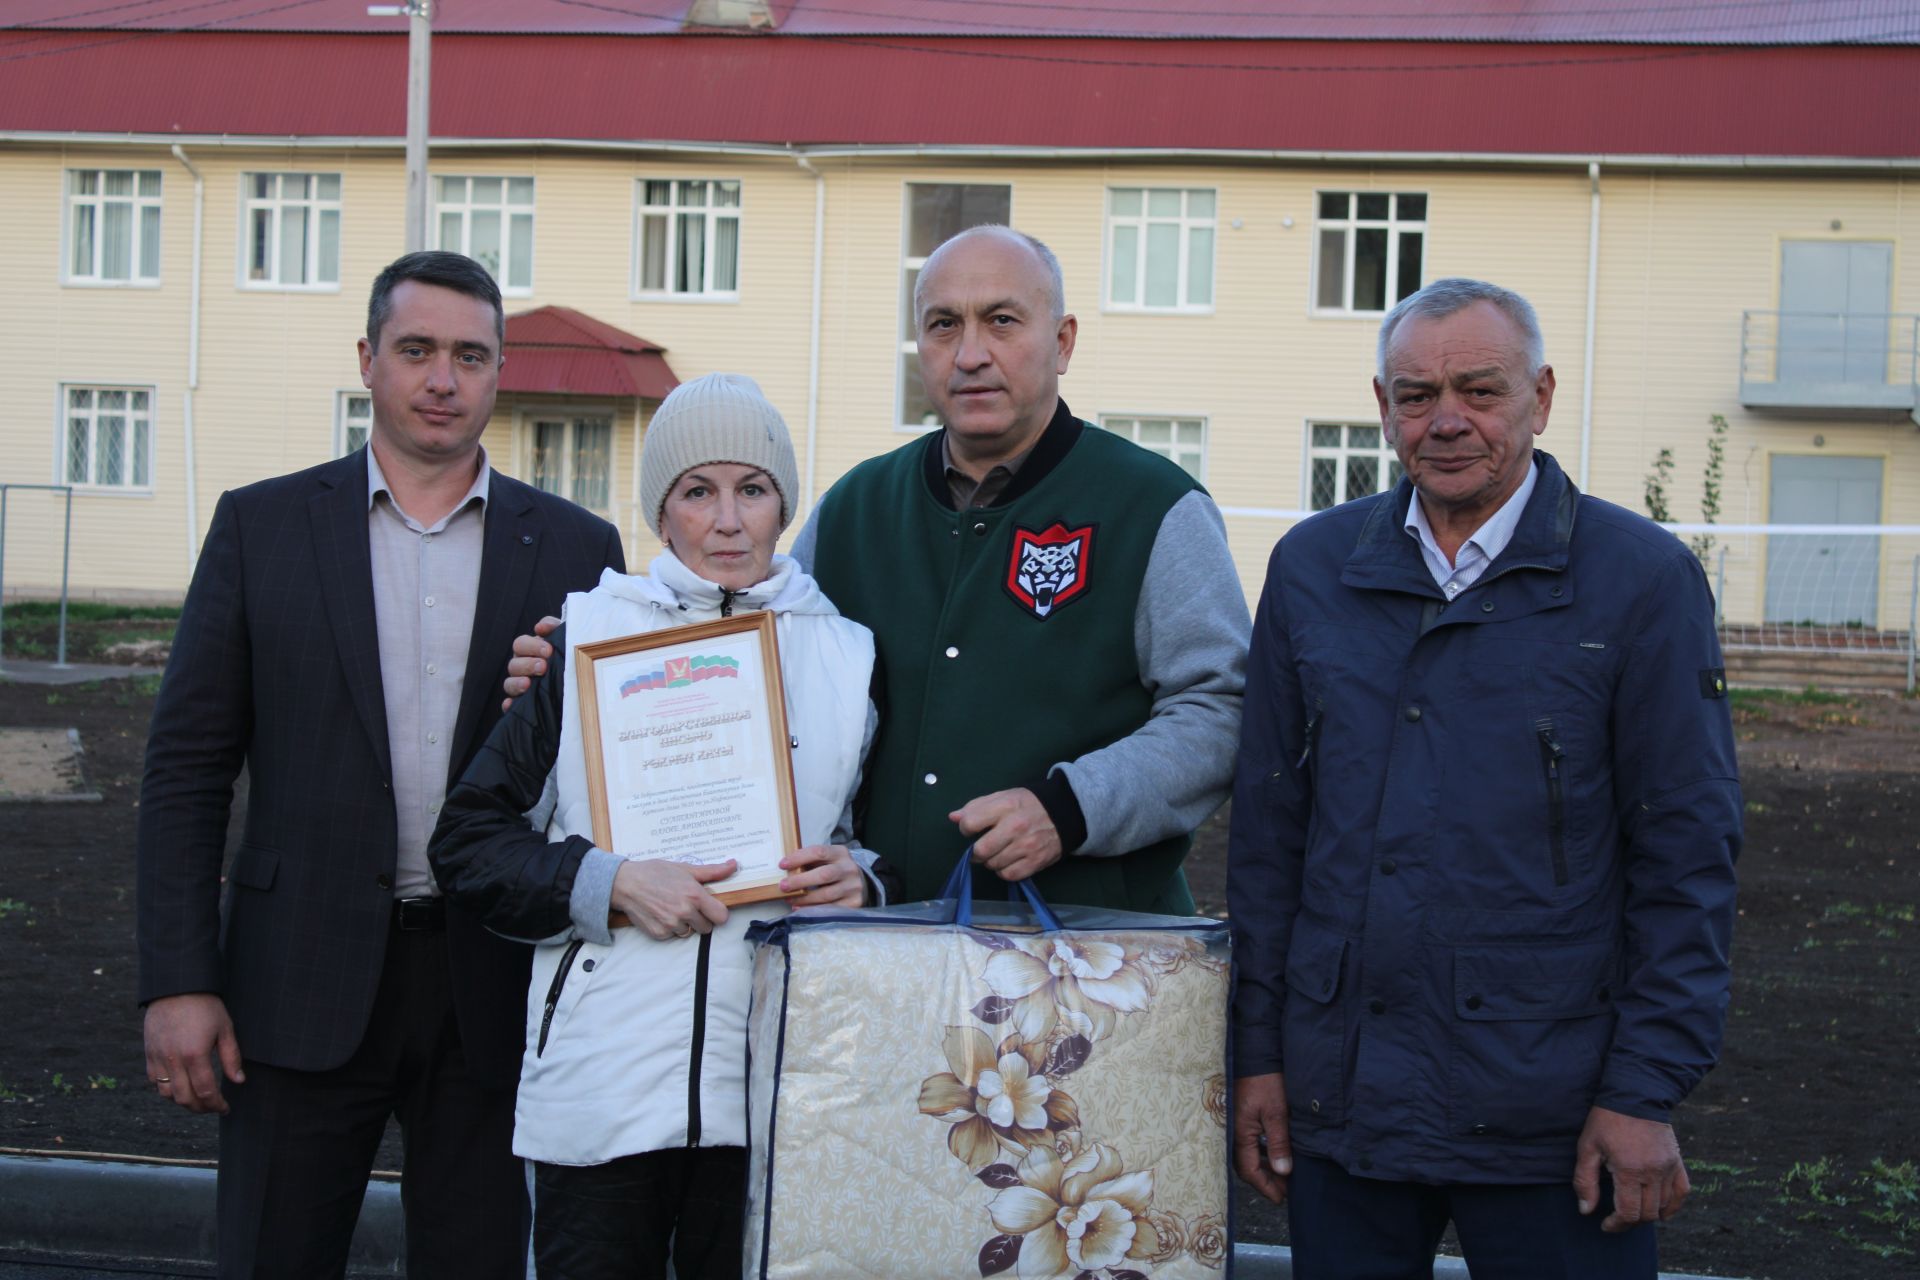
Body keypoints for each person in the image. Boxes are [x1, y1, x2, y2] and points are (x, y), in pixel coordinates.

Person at [1228, 278, 1742, 1279]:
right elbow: (1268, 839)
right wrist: (1259, 1054)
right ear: (1382, 407)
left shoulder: (1640, 581)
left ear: (1540, 397)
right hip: (1348, 1102)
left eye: (1480, 388)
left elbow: (1687, 859)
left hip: (1552, 1112)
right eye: (1416, 394)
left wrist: (1643, 1090)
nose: (1447, 419)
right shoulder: (1312, 570)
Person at [506, 225, 1249, 912]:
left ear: (1063, 341)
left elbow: (1220, 710)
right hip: (883, 955)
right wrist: (583, 669)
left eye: (1003, 320)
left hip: (1088, 954)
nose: (970, 353)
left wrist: (1072, 807)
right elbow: (748, 659)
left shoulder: (1152, 506)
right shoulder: (857, 507)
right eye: (943, 324)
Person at [137, 250, 625, 1277]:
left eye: (469, 355)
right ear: (368, 359)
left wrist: (558, 714)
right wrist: (179, 980)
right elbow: (186, 768)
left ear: (499, 372)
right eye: (416, 350)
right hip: (295, 980)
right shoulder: (261, 527)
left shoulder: (581, 549)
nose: (442, 378)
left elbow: (613, 774)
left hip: (494, 982)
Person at [428, 373, 894, 1279]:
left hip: (775, 1090)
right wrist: (608, 883)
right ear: (662, 511)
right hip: (602, 1092)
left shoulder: (849, 656)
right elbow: (470, 842)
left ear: (783, 505)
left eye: (752, 490)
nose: (727, 521)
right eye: (697, 491)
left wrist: (865, 877)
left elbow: (879, 840)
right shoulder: (588, 641)